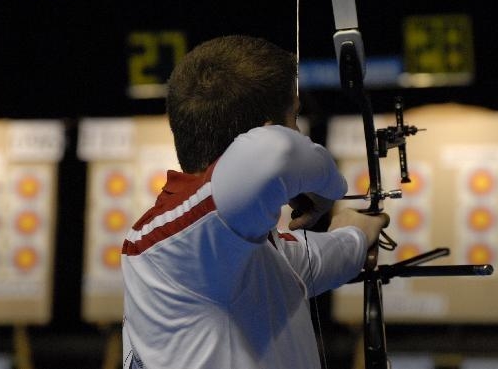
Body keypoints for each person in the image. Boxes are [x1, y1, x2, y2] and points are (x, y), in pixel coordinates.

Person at [121, 35, 389, 369]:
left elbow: (311, 261)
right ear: (267, 130)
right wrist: (331, 188)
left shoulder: (238, 248)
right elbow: (277, 151)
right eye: (294, 117)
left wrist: (357, 232)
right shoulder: (175, 240)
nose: (300, 134)